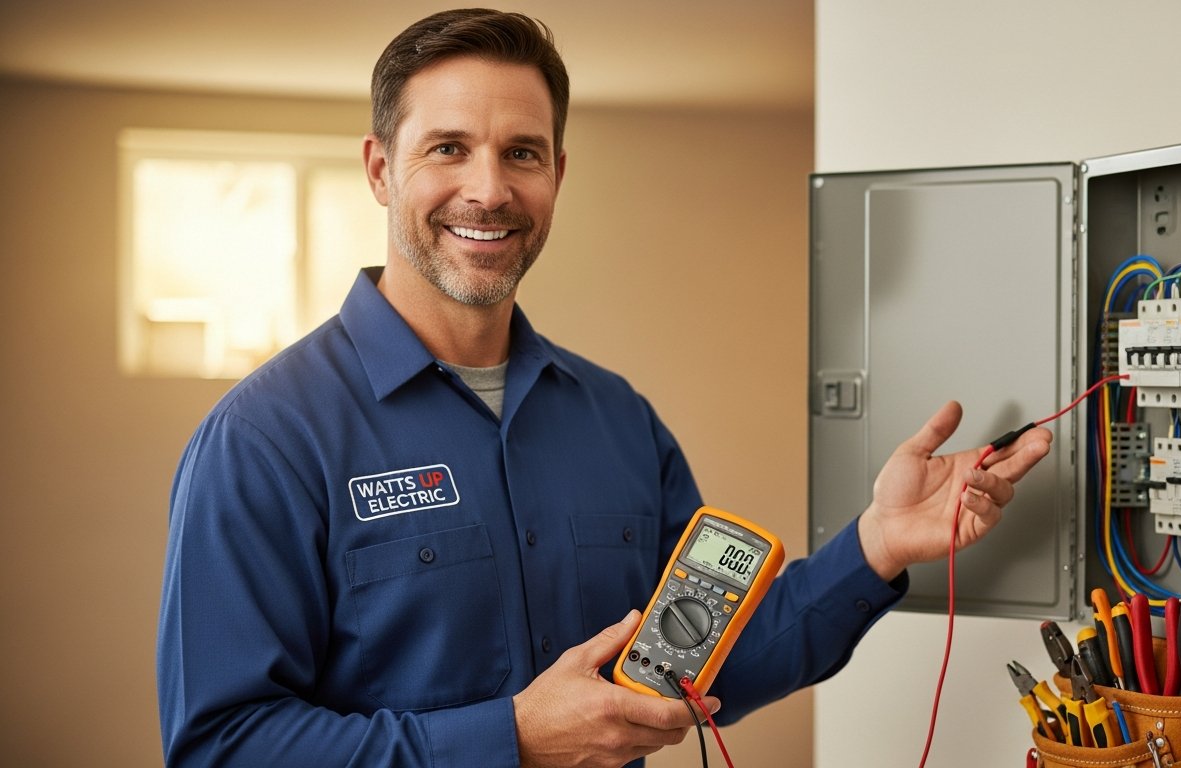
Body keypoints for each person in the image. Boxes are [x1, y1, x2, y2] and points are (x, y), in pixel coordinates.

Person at [156, 8, 1052, 768]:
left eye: (522, 153)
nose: (488, 188)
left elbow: (706, 663)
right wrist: (509, 739)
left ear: (557, 174)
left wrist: (880, 543)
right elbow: (222, 747)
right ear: (382, 170)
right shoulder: (263, 441)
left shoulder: (618, 420)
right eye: (448, 148)